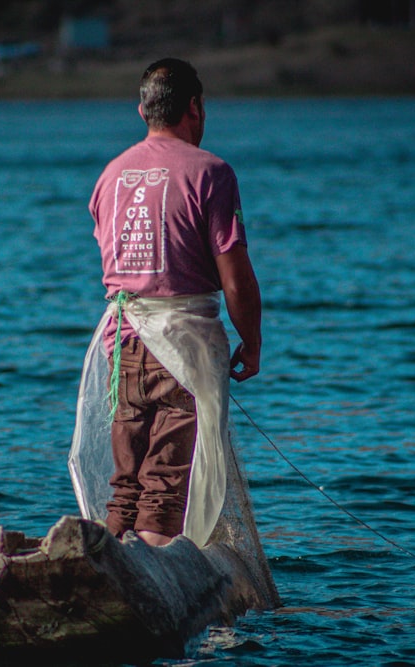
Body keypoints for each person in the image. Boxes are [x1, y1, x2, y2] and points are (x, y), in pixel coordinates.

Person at [74, 57, 262, 548]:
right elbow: (235, 276)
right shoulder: (212, 173)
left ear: (142, 110)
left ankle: (105, 575)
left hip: (122, 352)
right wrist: (252, 341)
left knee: (126, 490)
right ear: (195, 107)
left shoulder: (109, 176)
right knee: (164, 493)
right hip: (182, 349)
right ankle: (150, 598)